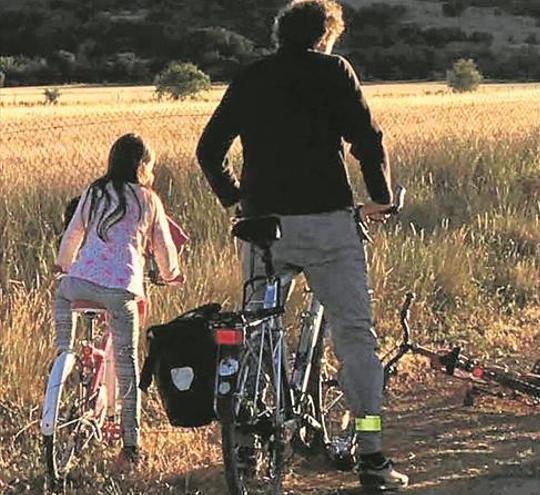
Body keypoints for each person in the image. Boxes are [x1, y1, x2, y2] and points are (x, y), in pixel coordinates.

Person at [196, 0, 408, 489]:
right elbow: (367, 140)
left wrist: (236, 199)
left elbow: (208, 150)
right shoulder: (335, 71)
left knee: (255, 327)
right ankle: (372, 455)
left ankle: (246, 441)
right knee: (354, 335)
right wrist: (379, 196)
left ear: (279, 34)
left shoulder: (250, 76)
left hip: (261, 223)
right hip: (326, 223)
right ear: (326, 36)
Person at [54, 133, 183, 467]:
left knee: (62, 294)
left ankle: (63, 355)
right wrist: (171, 275)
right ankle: (130, 447)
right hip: (121, 290)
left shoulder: (94, 192)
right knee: (127, 369)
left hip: (79, 284)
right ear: (142, 166)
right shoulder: (148, 199)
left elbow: (73, 235)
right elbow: (164, 247)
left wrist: (64, 266)